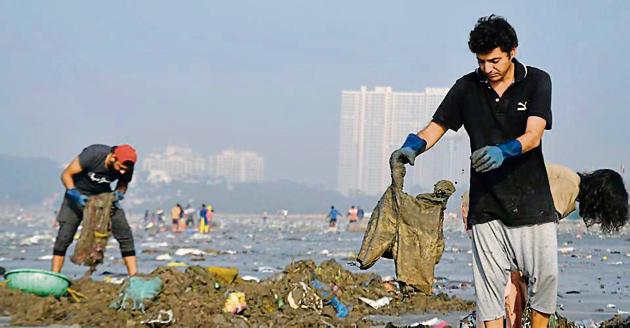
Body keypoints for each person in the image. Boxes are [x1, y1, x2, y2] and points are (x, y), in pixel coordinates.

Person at [390, 15, 557, 327]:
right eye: (482, 62)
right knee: (489, 288)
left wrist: (503, 151)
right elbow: (436, 126)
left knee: (544, 279)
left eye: (494, 61)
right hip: (486, 204)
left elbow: (534, 136)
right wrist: (412, 146)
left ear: (513, 52)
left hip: (533, 201)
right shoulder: (466, 87)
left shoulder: (537, 81)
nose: (488, 69)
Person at [462, 163, 629, 327]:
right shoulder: (568, 188)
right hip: (486, 210)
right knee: (510, 286)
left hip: (483, 203)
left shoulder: (567, 179)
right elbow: (539, 227)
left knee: (507, 283)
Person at [52, 144, 138, 276]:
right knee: (64, 236)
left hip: (104, 197)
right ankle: (54, 275)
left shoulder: (127, 167)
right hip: (78, 194)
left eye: (125, 169)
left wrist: (118, 194)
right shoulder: (93, 155)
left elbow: (122, 184)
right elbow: (66, 174)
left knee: (125, 233)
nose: (122, 171)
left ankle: (134, 276)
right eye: (120, 168)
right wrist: (74, 193)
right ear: (113, 157)